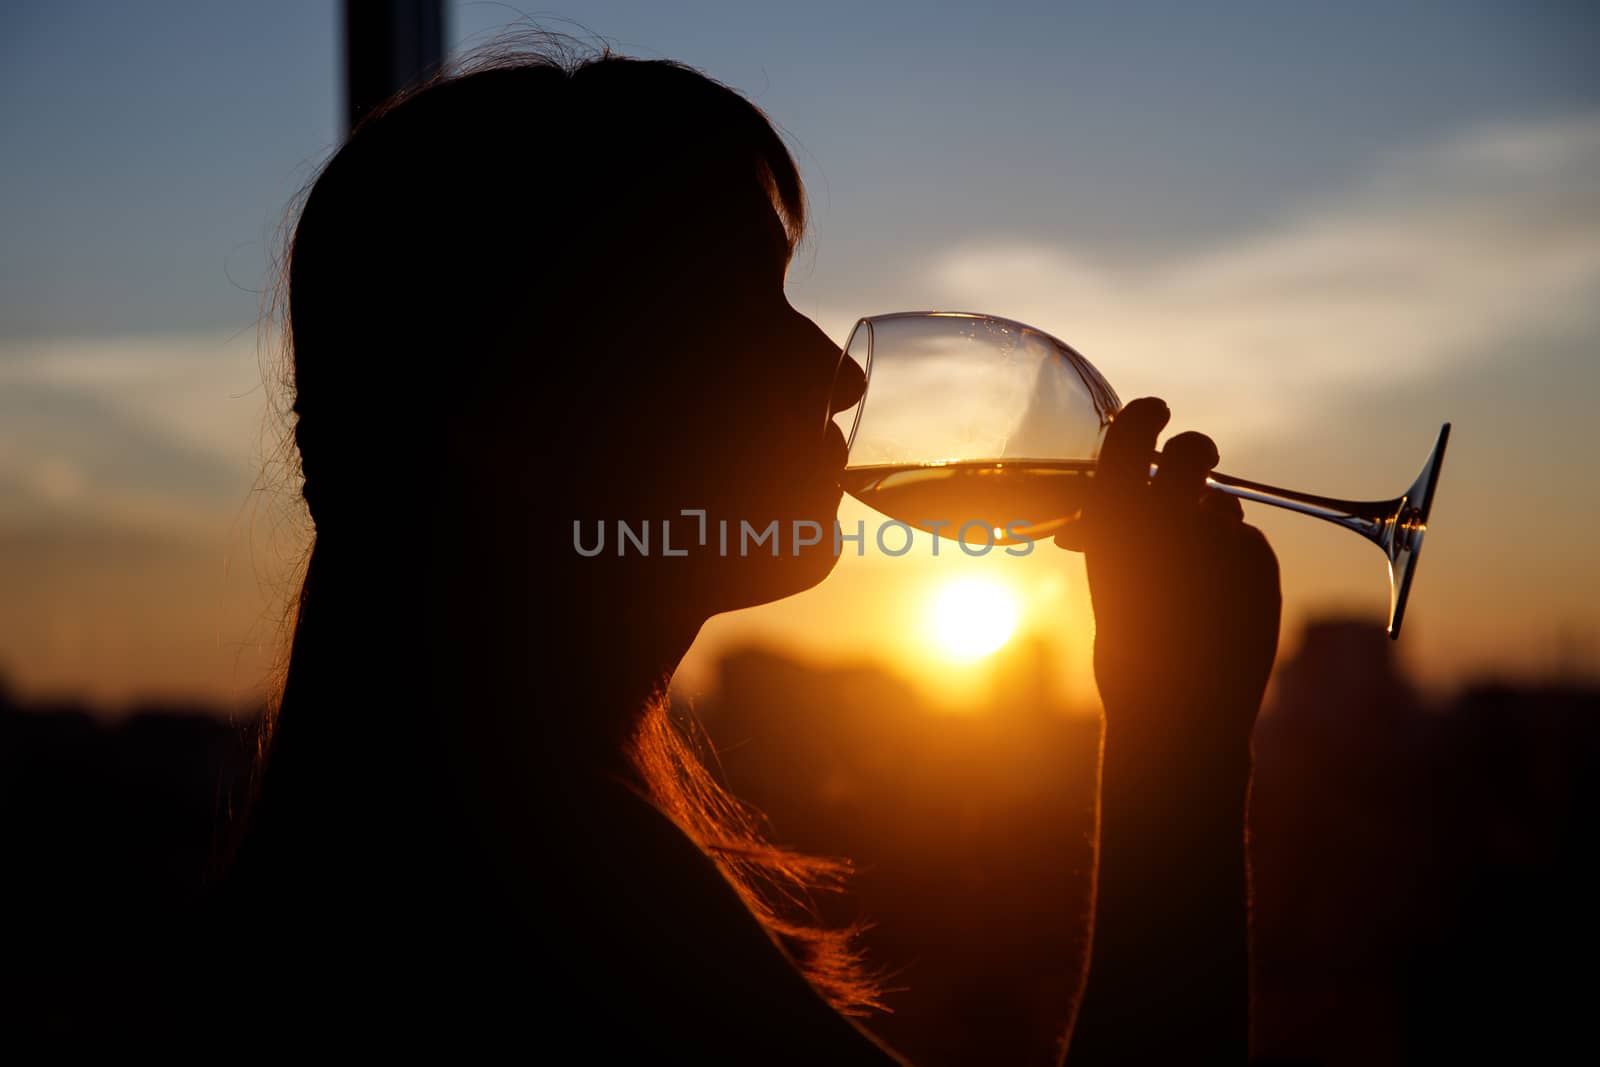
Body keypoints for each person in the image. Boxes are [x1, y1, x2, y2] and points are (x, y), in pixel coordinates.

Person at [199, 48, 1281, 1063]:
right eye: (736, 308)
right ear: (513, 418)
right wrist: (1176, 740)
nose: (841, 376)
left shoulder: (409, 839)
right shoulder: (536, 886)